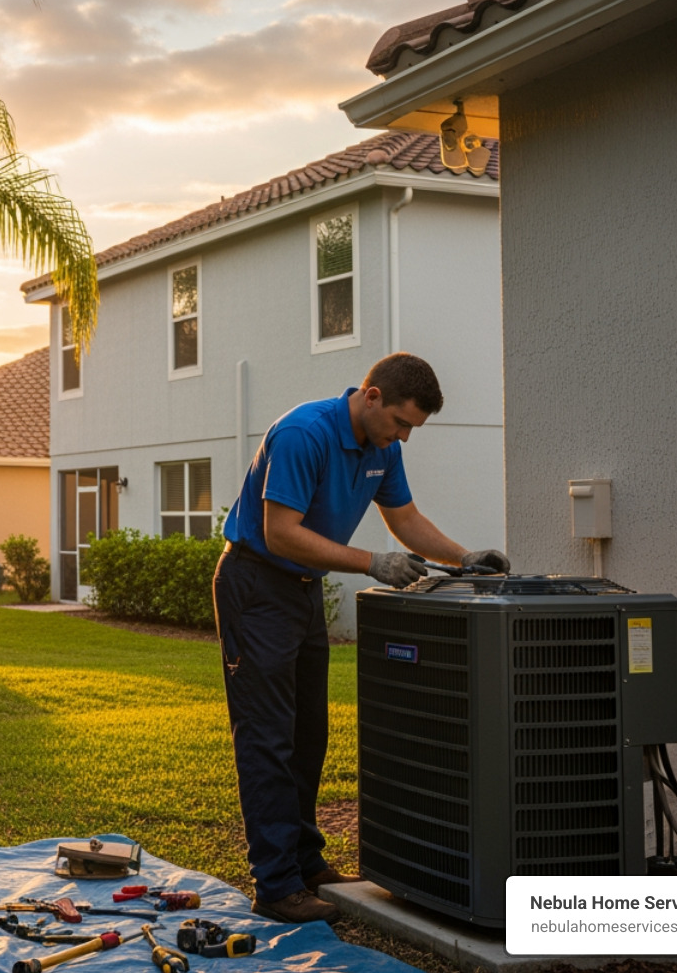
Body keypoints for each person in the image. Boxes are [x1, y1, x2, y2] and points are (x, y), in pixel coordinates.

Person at [214, 352, 508, 924]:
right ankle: (275, 884)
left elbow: (405, 519)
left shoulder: (383, 447)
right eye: (400, 423)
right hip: (256, 584)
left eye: (412, 429)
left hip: (301, 591)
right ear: (371, 396)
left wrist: (465, 557)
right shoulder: (304, 433)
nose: (404, 437)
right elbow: (280, 533)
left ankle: (305, 864)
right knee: (268, 737)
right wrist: (372, 562)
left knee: (308, 735)